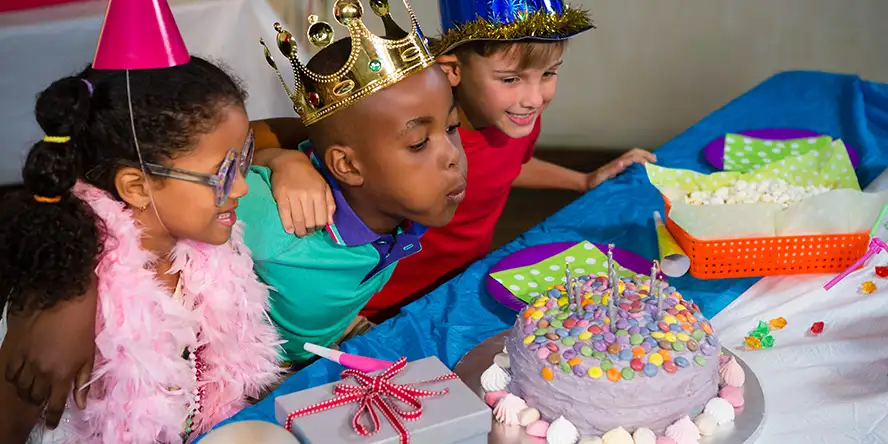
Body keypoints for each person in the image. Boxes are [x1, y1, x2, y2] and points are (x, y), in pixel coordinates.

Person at [244, 0, 658, 321]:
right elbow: (288, 137)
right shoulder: (398, 131)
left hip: (462, 277)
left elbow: (507, 170)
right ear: (452, 70)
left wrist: (582, 182)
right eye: (511, 79)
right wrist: (283, 160)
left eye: (549, 74)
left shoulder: (518, 120)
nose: (534, 98)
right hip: (378, 300)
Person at [0, 56, 282, 443]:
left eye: (243, 158)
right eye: (222, 174)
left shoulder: (208, 244)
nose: (240, 188)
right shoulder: (58, 295)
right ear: (136, 187)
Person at [240, 2, 466, 367]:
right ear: (346, 165)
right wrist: (272, 159)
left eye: (451, 128)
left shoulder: (400, 206)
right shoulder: (275, 223)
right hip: (255, 373)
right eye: (419, 143)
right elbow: (171, 177)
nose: (453, 155)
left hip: (334, 337)